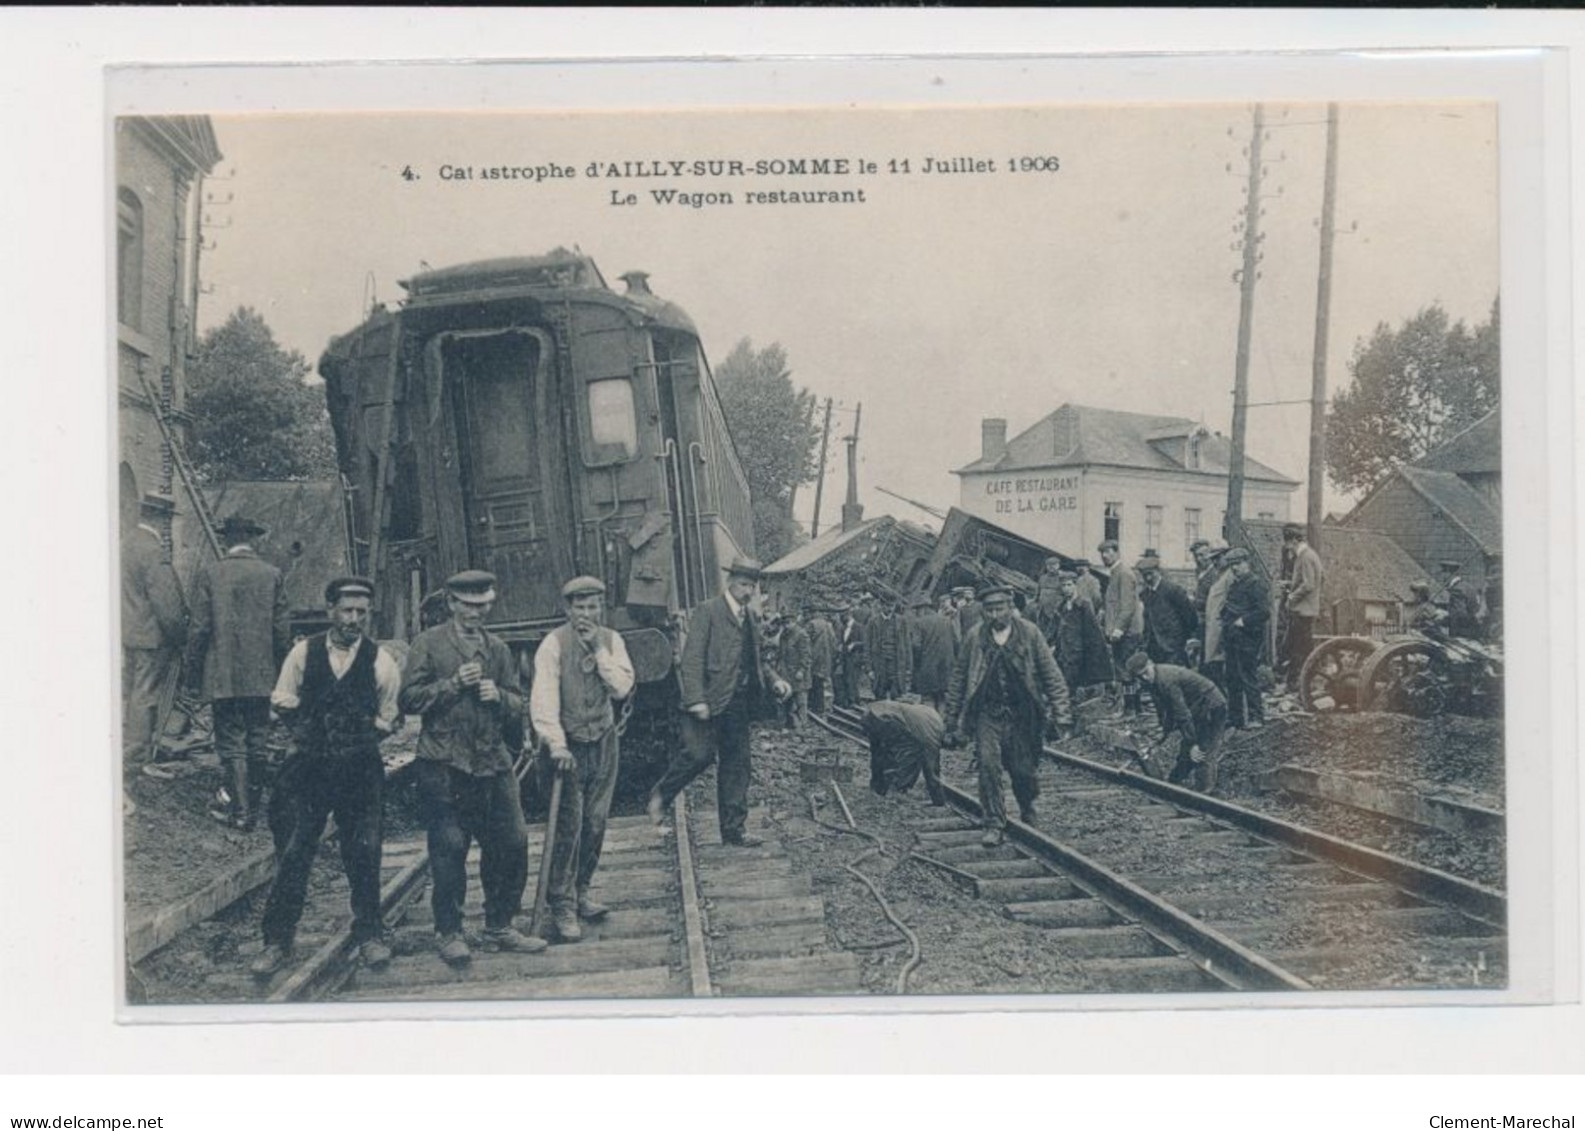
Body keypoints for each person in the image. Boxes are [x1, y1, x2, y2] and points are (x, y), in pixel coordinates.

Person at [249, 576, 403, 977]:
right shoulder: (303, 653)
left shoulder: (381, 660)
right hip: (308, 772)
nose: (354, 619)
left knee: (365, 851)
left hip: (359, 773)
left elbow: (389, 717)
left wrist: (358, 737)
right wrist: (310, 736)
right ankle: (277, 942)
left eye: (362, 613)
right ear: (330, 610)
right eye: (347, 611)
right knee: (295, 853)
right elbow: (282, 700)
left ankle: (370, 934)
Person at [400, 570, 544, 965]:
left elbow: (519, 703)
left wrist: (498, 695)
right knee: (449, 848)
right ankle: (449, 932)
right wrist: (451, 684)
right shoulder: (427, 645)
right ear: (451, 604)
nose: (476, 613)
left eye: (483, 606)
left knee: (513, 842)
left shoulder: (497, 649)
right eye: (468, 605)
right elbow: (408, 700)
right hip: (444, 763)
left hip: (492, 761)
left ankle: (499, 925)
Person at [647, 556, 790, 847]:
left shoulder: (751, 617)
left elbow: (758, 659)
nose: (747, 591)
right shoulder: (708, 611)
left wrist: (775, 680)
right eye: (742, 584)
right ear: (730, 582)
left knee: (738, 764)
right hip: (709, 700)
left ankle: (733, 830)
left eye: (752, 585)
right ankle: (660, 796)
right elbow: (692, 658)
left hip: (738, 703)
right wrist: (696, 699)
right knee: (699, 755)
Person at [528, 576, 636, 943]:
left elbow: (621, 687)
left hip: (603, 741)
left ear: (601, 608)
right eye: (579, 607)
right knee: (569, 826)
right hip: (567, 746)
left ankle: (582, 890)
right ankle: (561, 904)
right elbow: (543, 700)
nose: (586, 614)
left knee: (596, 821)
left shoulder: (612, 641)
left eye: (592, 607)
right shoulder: (552, 645)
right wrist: (556, 744)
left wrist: (599, 651)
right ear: (567, 609)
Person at [944, 584, 1072, 846]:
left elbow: (1051, 675)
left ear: (1010, 608)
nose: (994, 615)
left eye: (999, 608)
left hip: (1021, 714)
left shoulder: (1029, 633)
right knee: (988, 766)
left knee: (1022, 770)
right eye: (988, 610)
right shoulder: (974, 637)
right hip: (987, 713)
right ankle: (993, 822)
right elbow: (958, 679)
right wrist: (951, 719)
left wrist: (1062, 714)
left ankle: (1027, 807)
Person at [184, 514, 290, 830]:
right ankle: (253, 810)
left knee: (231, 741)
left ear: (226, 540)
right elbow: (282, 631)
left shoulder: (211, 574)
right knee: (258, 740)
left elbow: (199, 630)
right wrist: (283, 673)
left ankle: (241, 813)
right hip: (262, 676)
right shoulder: (272, 574)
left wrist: (192, 675)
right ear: (253, 539)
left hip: (223, 676)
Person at [121, 494, 188, 766]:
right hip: (151, 637)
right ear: (162, 520)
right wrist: (181, 638)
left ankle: (129, 748)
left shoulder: (125, 544)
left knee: (131, 691)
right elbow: (167, 606)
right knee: (146, 695)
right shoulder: (153, 551)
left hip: (129, 634)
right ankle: (137, 755)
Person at [1125, 651, 1228, 793]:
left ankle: (1205, 795)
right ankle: (1172, 786)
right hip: (1196, 710)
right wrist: (1162, 735)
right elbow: (1167, 711)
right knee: (1186, 753)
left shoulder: (1167, 680)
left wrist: (1193, 743)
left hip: (1211, 706)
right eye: (1140, 676)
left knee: (1203, 753)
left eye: (1145, 672)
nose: (1144, 677)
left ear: (1151, 664)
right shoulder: (1152, 681)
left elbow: (1182, 714)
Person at [1218, 549, 1269, 730]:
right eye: (1232, 565)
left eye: (1238, 564)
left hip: (1248, 639)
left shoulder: (1255, 584)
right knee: (1232, 678)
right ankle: (1235, 717)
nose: (1235, 568)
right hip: (1232, 638)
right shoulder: (1235, 585)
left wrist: (1243, 621)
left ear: (1247, 563)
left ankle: (1256, 716)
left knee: (1248, 677)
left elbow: (1263, 612)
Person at [863, 697, 946, 806]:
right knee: (911, 759)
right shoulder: (934, 731)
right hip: (885, 717)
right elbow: (932, 769)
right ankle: (895, 791)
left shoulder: (930, 722)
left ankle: (880, 788)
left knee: (883, 752)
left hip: (874, 712)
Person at [1047, 571, 1114, 705]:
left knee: (1074, 677)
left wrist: (1094, 652)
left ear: (1075, 586)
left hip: (1078, 649)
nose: (1066, 588)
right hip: (1064, 648)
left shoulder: (1083, 605)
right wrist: (1051, 643)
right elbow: (1054, 628)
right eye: (1064, 585)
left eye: (1069, 585)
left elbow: (1092, 631)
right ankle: (1067, 701)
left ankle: (1071, 701)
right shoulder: (1062, 606)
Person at [1097, 540, 1144, 714]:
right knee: (1124, 670)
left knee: (1127, 671)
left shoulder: (1123, 573)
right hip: (1122, 632)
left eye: (1107, 552)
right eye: (1102, 553)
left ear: (1116, 552)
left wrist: (1118, 629)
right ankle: (1132, 708)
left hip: (1127, 633)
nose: (1104, 556)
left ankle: (1131, 709)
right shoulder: (1115, 573)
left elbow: (1127, 605)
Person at [1137, 553, 1199, 668]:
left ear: (1158, 571)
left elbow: (1189, 617)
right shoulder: (1145, 594)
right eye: (1144, 575)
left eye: (1150, 574)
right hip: (1153, 646)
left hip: (1173, 646)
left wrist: (1185, 639)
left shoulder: (1173, 590)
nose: (1148, 578)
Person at [1282, 524, 1323, 691]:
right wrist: (1289, 584)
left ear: (1293, 541)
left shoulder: (1305, 557)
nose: (1286, 547)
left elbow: (1309, 584)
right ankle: (1303, 684)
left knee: (1299, 650)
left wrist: (1292, 596)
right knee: (1300, 648)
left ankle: (1298, 685)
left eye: (1287, 543)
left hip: (1303, 610)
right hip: (1306, 609)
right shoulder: (1310, 555)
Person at [907, 593, 957, 714]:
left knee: (928, 698)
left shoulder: (919, 622)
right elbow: (956, 642)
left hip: (928, 667)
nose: (916, 613)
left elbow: (916, 645)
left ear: (923, 608)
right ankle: (941, 724)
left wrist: (916, 665)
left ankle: (931, 726)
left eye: (917, 610)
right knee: (942, 697)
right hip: (946, 667)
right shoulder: (947, 621)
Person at [866, 592, 913, 701]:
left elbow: (907, 645)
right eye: (887, 605)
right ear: (881, 606)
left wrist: (908, 667)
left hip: (896, 664)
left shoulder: (901, 621)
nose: (890, 609)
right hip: (879, 664)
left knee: (896, 696)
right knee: (879, 696)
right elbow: (867, 646)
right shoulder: (873, 622)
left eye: (892, 606)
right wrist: (869, 668)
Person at [1200, 546, 1233, 689]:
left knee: (1219, 668)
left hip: (1221, 629)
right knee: (1213, 667)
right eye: (1213, 559)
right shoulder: (1220, 575)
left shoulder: (1230, 576)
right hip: (1213, 628)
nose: (1215, 562)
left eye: (1218, 558)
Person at [777, 609, 812, 729]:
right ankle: (787, 724)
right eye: (784, 623)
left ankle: (803, 726)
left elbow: (806, 655)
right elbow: (780, 654)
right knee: (785, 699)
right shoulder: (784, 635)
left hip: (798, 674)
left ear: (793, 621)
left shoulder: (801, 634)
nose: (786, 625)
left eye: (788, 622)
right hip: (786, 673)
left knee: (801, 701)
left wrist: (802, 670)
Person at [806, 605, 836, 718]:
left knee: (816, 683)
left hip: (815, 658)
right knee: (827, 683)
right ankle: (827, 707)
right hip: (827, 658)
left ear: (813, 612)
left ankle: (817, 707)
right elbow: (834, 642)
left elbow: (805, 641)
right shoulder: (829, 625)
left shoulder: (811, 624)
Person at [1440, 560, 1481, 639]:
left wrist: (1443, 618)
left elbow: (1459, 615)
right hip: (1471, 630)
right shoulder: (1466, 586)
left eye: (1443, 573)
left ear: (1449, 573)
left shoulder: (1457, 590)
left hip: (1462, 633)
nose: (1442, 577)